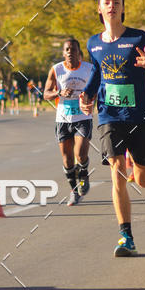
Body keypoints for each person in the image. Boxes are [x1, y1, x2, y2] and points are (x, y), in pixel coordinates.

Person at [80, 0, 145, 256]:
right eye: (107, 1)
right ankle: (126, 237)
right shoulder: (93, 43)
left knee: (143, 180)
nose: (112, 5)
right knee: (117, 170)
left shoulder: (139, 39)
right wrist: (87, 94)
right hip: (110, 115)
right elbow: (97, 73)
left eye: (117, 1)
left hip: (142, 116)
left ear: (122, 8)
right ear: (99, 8)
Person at [44, 39, 93, 206]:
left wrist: (90, 98)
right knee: (67, 159)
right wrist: (59, 92)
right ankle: (74, 191)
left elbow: (97, 89)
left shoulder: (88, 69)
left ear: (79, 52)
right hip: (63, 119)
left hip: (83, 117)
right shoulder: (56, 70)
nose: (70, 52)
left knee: (80, 153)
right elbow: (46, 94)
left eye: (73, 49)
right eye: (67, 49)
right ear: (63, 53)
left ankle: (84, 173)